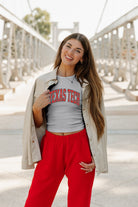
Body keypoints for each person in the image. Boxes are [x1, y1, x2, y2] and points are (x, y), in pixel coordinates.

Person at [22, 33, 108, 207]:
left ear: (82, 58)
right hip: (51, 147)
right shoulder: (42, 81)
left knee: (79, 203)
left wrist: (95, 155)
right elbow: (37, 124)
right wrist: (36, 108)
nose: (70, 52)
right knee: (35, 202)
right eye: (68, 46)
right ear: (61, 47)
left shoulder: (89, 85)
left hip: (79, 147)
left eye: (77, 50)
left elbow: (99, 122)